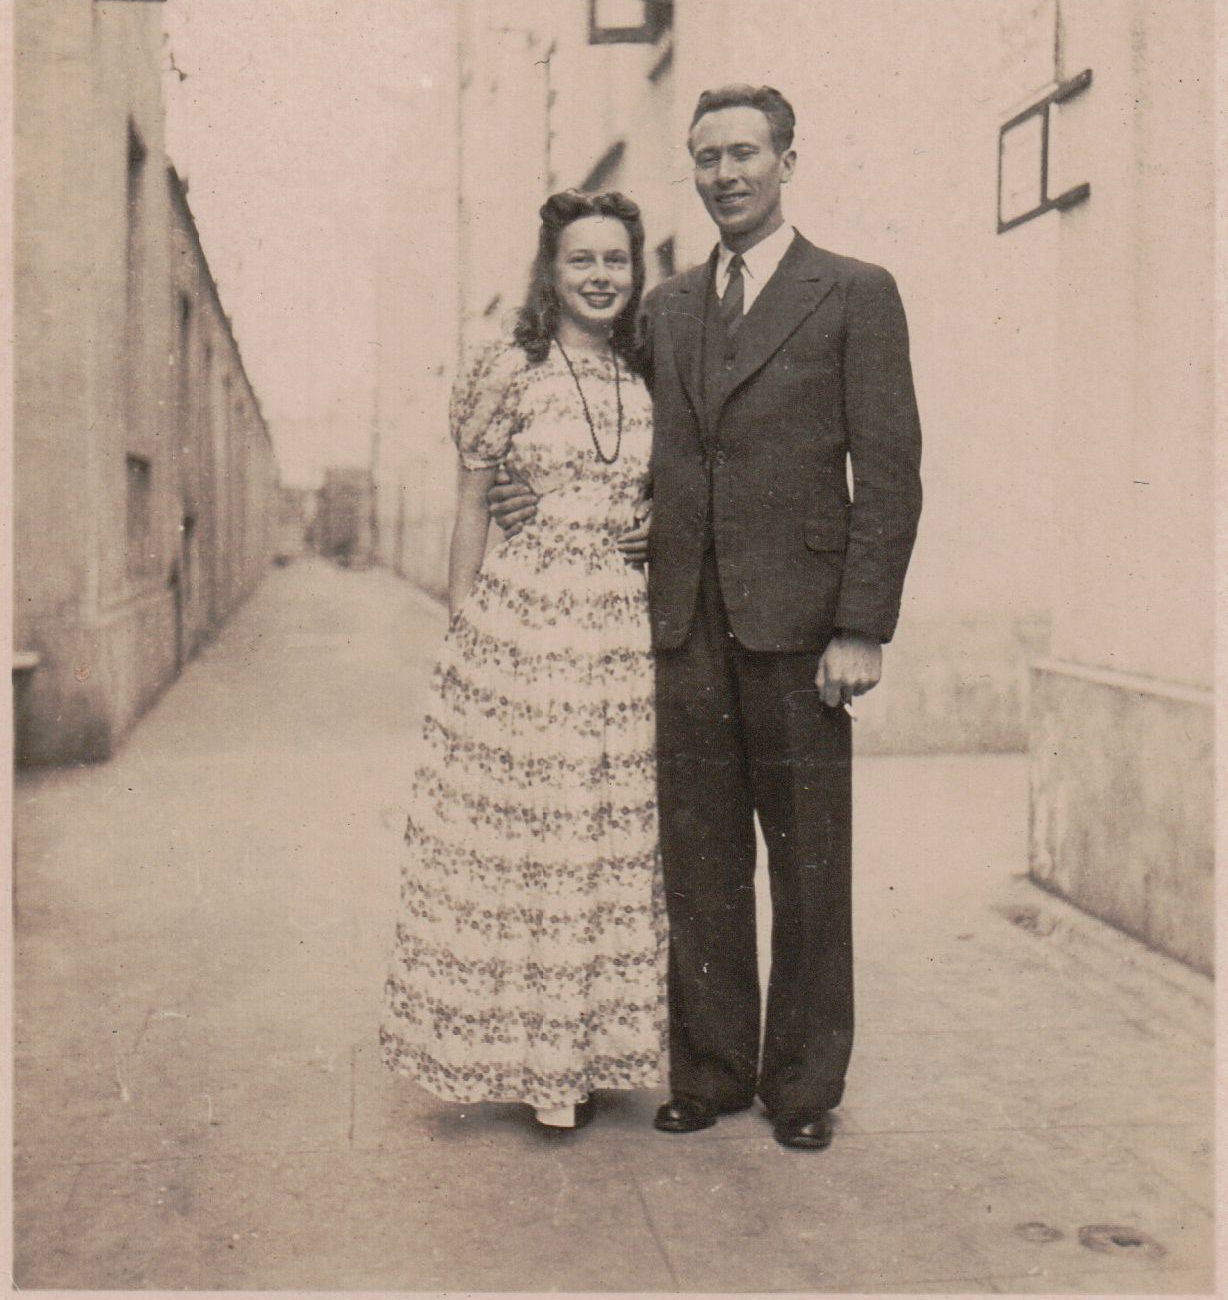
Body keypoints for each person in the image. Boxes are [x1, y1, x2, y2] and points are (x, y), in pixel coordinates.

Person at [490, 85, 922, 1150]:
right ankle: (714, 1068)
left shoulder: (854, 291)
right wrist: (524, 487)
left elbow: (893, 469)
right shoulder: (669, 307)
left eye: (743, 152)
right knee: (698, 859)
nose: (724, 173)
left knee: (809, 864)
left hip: (802, 630)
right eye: (706, 156)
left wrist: (861, 625)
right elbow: (613, 425)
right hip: (678, 625)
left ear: (786, 158)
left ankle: (803, 1084)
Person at [381, 190, 667, 1131]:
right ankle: (531, 1061)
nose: (599, 278)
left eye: (616, 261)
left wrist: (651, 529)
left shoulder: (644, 372)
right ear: (550, 271)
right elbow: (472, 504)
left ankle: (582, 1055)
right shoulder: (508, 368)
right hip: (529, 632)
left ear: (636, 271)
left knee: (601, 842)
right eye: (581, 260)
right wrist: (462, 629)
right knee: (534, 840)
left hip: (621, 641)